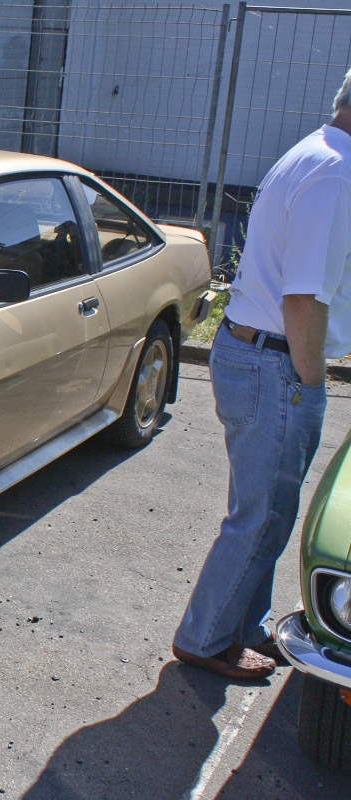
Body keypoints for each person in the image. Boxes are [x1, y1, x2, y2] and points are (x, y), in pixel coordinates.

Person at [173, 68, 351, 680]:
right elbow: (304, 298)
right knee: (262, 514)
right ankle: (206, 637)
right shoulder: (336, 174)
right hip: (275, 361)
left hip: (261, 354)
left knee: (266, 508)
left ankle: (240, 625)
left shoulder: (319, 155)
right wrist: (311, 381)